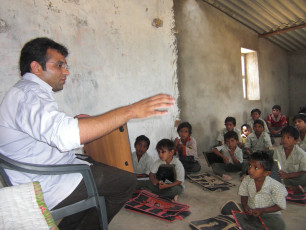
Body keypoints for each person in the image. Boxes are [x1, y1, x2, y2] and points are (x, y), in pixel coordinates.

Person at [0, 37, 175, 229]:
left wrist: (75, 122)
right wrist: (131, 111)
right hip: (45, 181)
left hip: (43, 169)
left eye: (66, 66)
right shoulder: (29, 95)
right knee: (126, 182)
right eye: (59, 65)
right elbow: (64, 136)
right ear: (36, 67)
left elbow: (45, 129)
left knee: (102, 168)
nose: (66, 71)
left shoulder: (25, 92)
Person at [237, 152, 288, 230]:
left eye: (256, 168)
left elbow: (280, 205)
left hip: (268, 214)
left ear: (266, 173)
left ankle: (251, 224)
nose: (250, 170)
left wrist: (262, 210)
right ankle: (254, 224)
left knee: (279, 225)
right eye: (250, 165)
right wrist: (245, 206)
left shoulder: (276, 186)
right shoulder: (247, 179)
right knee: (229, 206)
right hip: (251, 210)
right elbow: (244, 195)